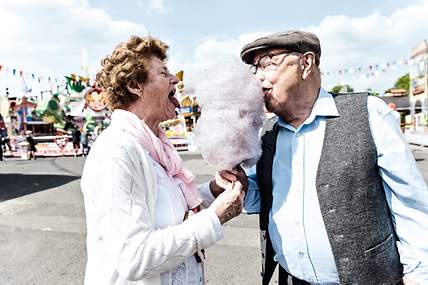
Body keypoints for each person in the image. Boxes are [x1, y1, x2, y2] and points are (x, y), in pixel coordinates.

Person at [207, 31, 428, 285]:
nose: (257, 77)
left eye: (267, 62)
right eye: (254, 68)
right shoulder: (268, 133)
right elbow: (264, 198)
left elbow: (411, 206)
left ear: (306, 63)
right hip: (291, 279)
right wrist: (242, 185)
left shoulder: (369, 114)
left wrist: (419, 276)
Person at [80, 35, 245, 285]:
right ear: (136, 84)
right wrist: (215, 218)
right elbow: (133, 258)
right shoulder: (117, 152)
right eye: (164, 72)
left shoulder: (154, 145)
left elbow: (165, 206)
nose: (175, 79)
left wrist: (214, 189)